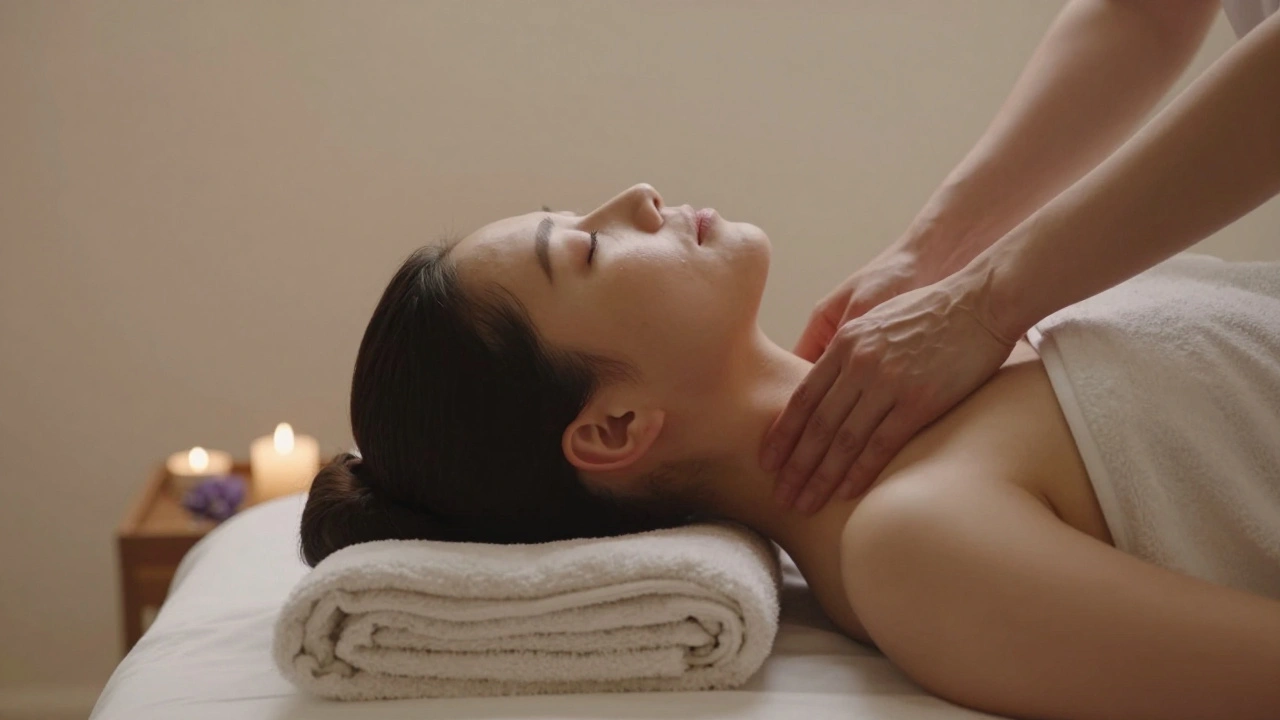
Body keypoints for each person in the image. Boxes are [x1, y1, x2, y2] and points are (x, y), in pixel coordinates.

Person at [300, 182, 1280, 719]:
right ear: (610, 430)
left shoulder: (936, 343)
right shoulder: (913, 547)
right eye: (586, 250)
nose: (634, 197)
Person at [763, 0, 1280, 515]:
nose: (678, 205)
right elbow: (1145, 11)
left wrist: (981, 299)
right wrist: (935, 252)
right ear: (674, 423)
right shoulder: (918, 518)